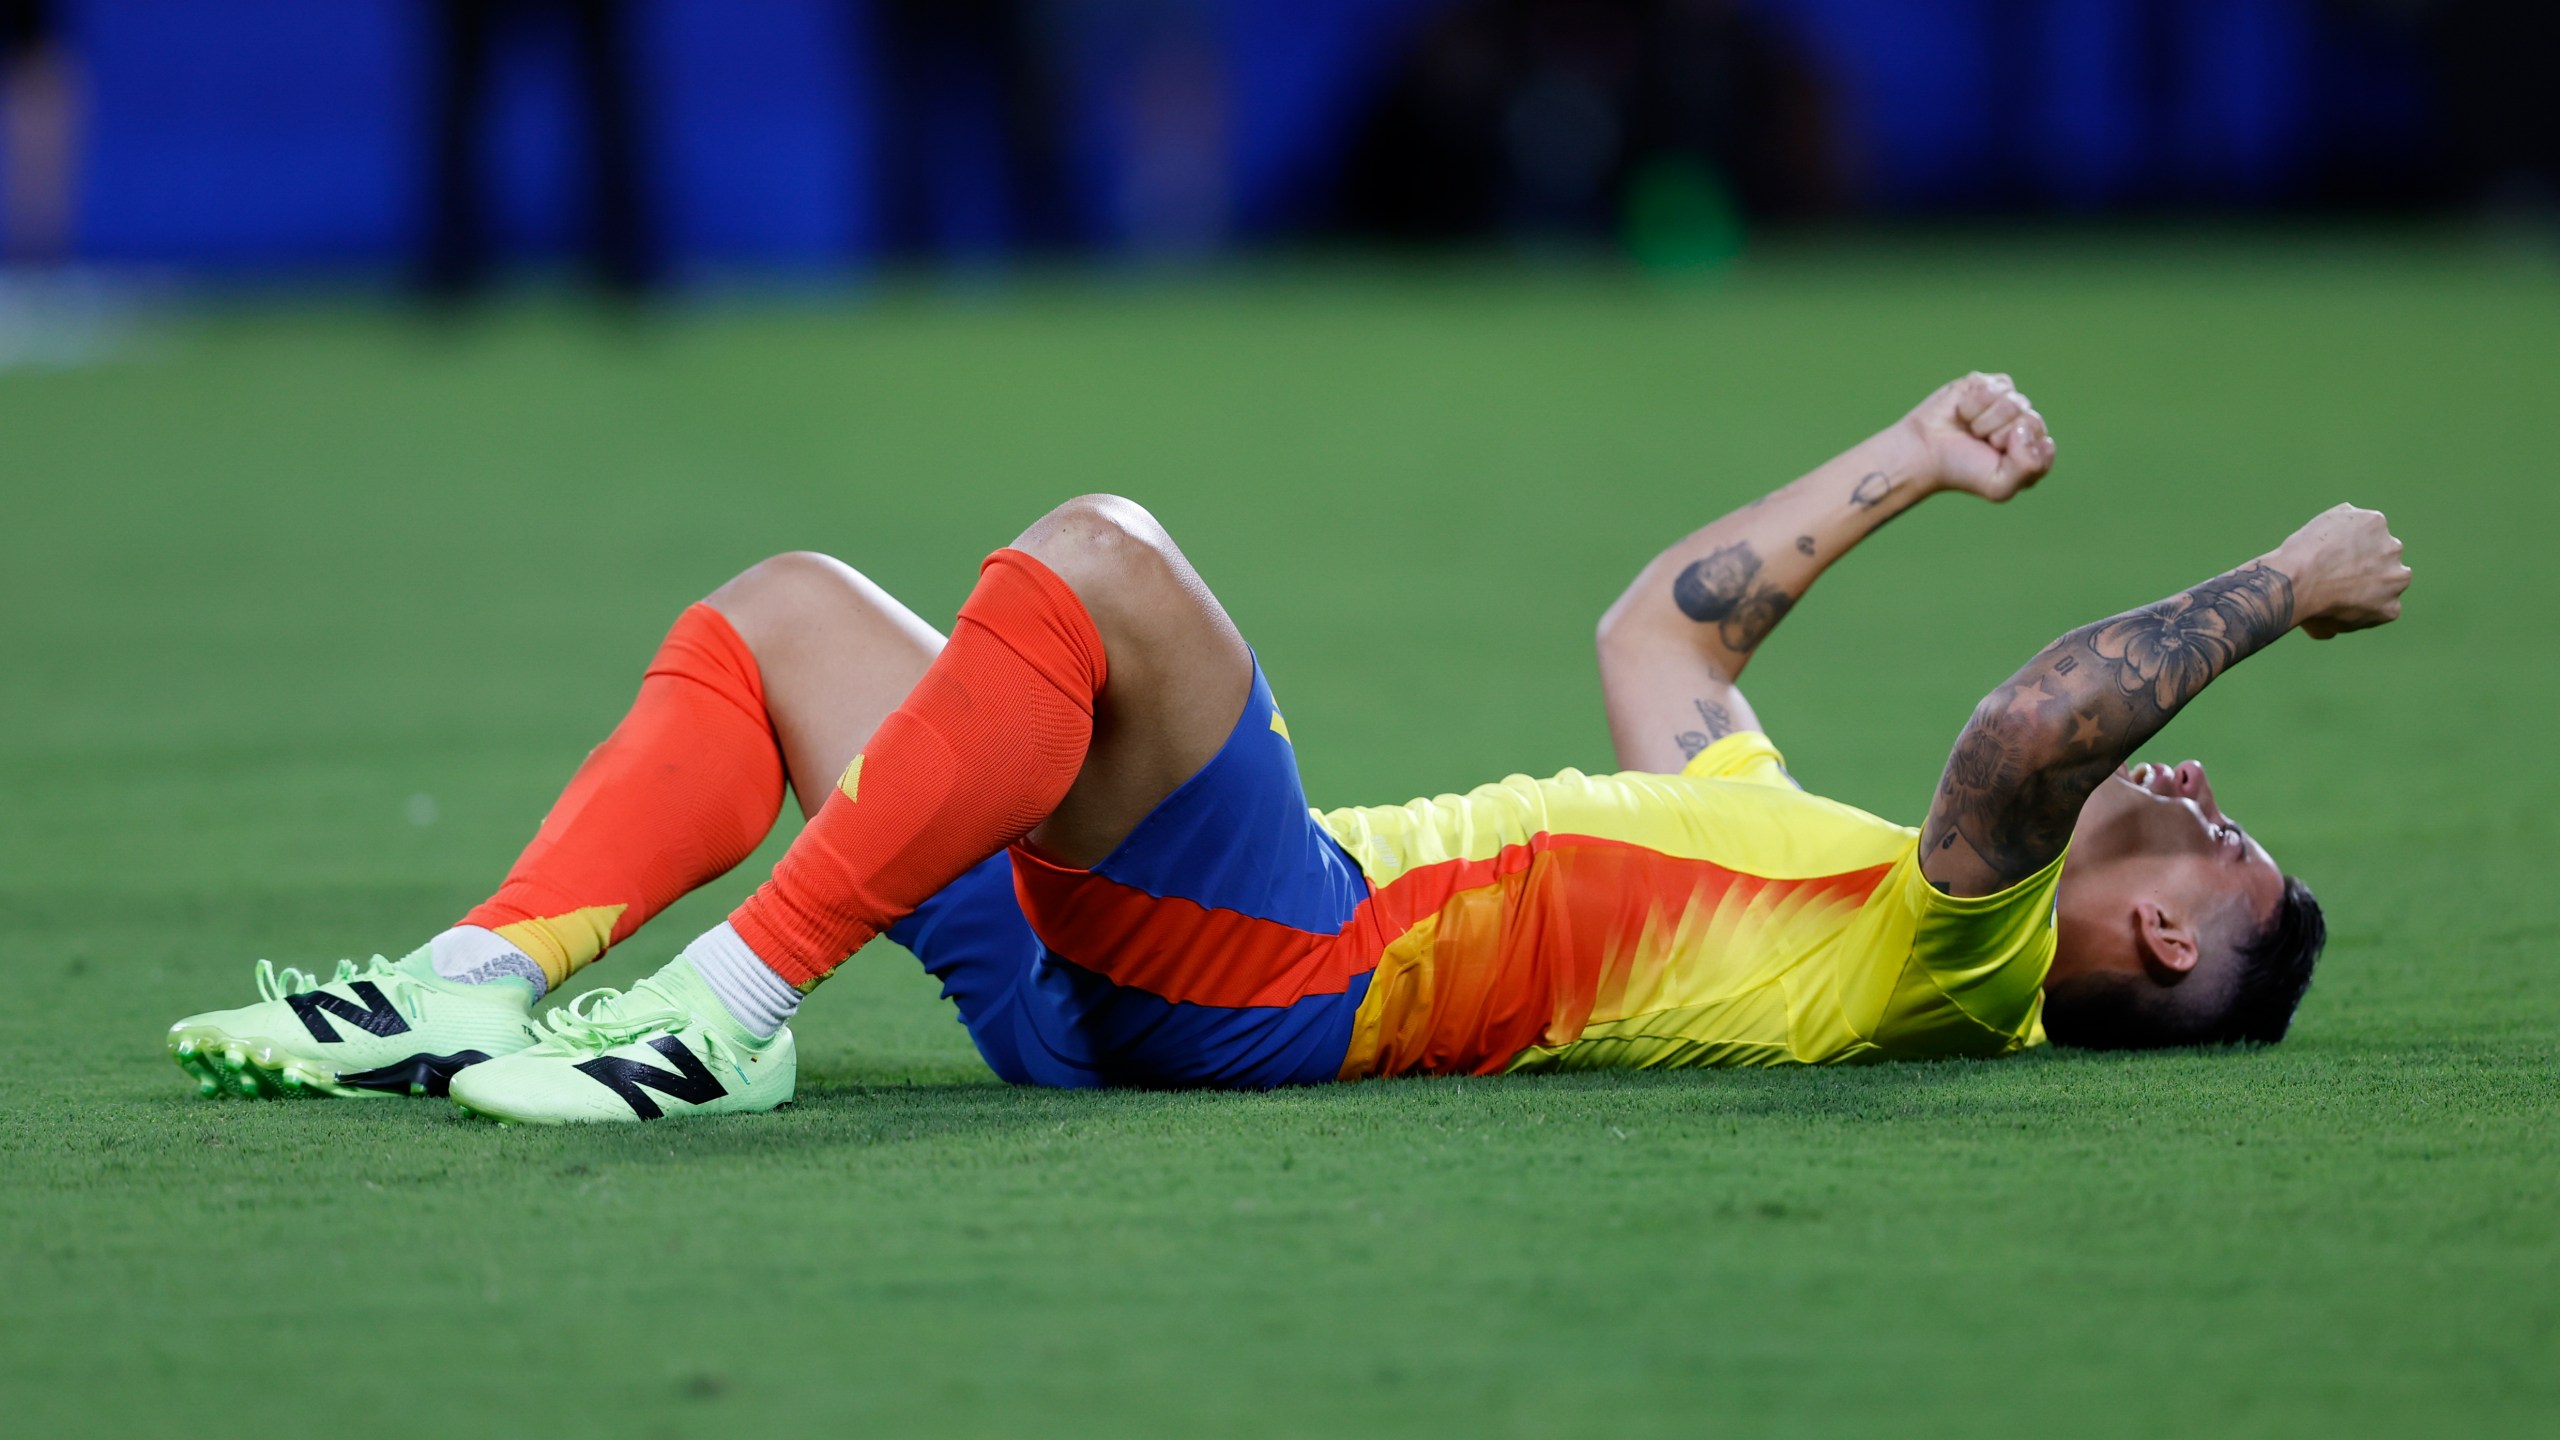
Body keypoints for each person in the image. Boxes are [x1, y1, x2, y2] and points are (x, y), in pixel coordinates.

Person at [165, 374, 2410, 1121]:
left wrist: (2273, 593)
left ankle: (729, 1013)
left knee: (1109, 558)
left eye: (2220, 854)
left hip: (1297, 975)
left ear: (2137, 944)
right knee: (785, 622)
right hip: (1158, 986)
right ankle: (465, 983)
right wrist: (1905, 453)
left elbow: (2031, 724)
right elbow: (1662, 627)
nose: (2203, 800)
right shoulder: (1802, 873)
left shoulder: (1947, 967)